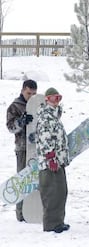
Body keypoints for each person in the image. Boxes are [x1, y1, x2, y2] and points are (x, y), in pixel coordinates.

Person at [36, 87, 70, 233]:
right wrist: (50, 158)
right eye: (54, 98)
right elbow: (45, 138)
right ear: (47, 99)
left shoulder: (54, 115)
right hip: (50, 162)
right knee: (52, 193)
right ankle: (51, 224)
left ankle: (58, 221)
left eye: (59, 98)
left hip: (58, 161)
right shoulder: (45, 116)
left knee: (60, 192)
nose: (57, 101)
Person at [6, 79, 37, 222]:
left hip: (37, 148)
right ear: (23, 90)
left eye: (33, 93)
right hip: (22, 148)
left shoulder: (37, 103)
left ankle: (34, 210)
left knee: (36, 181)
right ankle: (20, 214)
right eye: (28, 93)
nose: (31, 96)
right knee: (22, 180)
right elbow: (10, 127)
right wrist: (21, 122)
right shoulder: (15, 106)